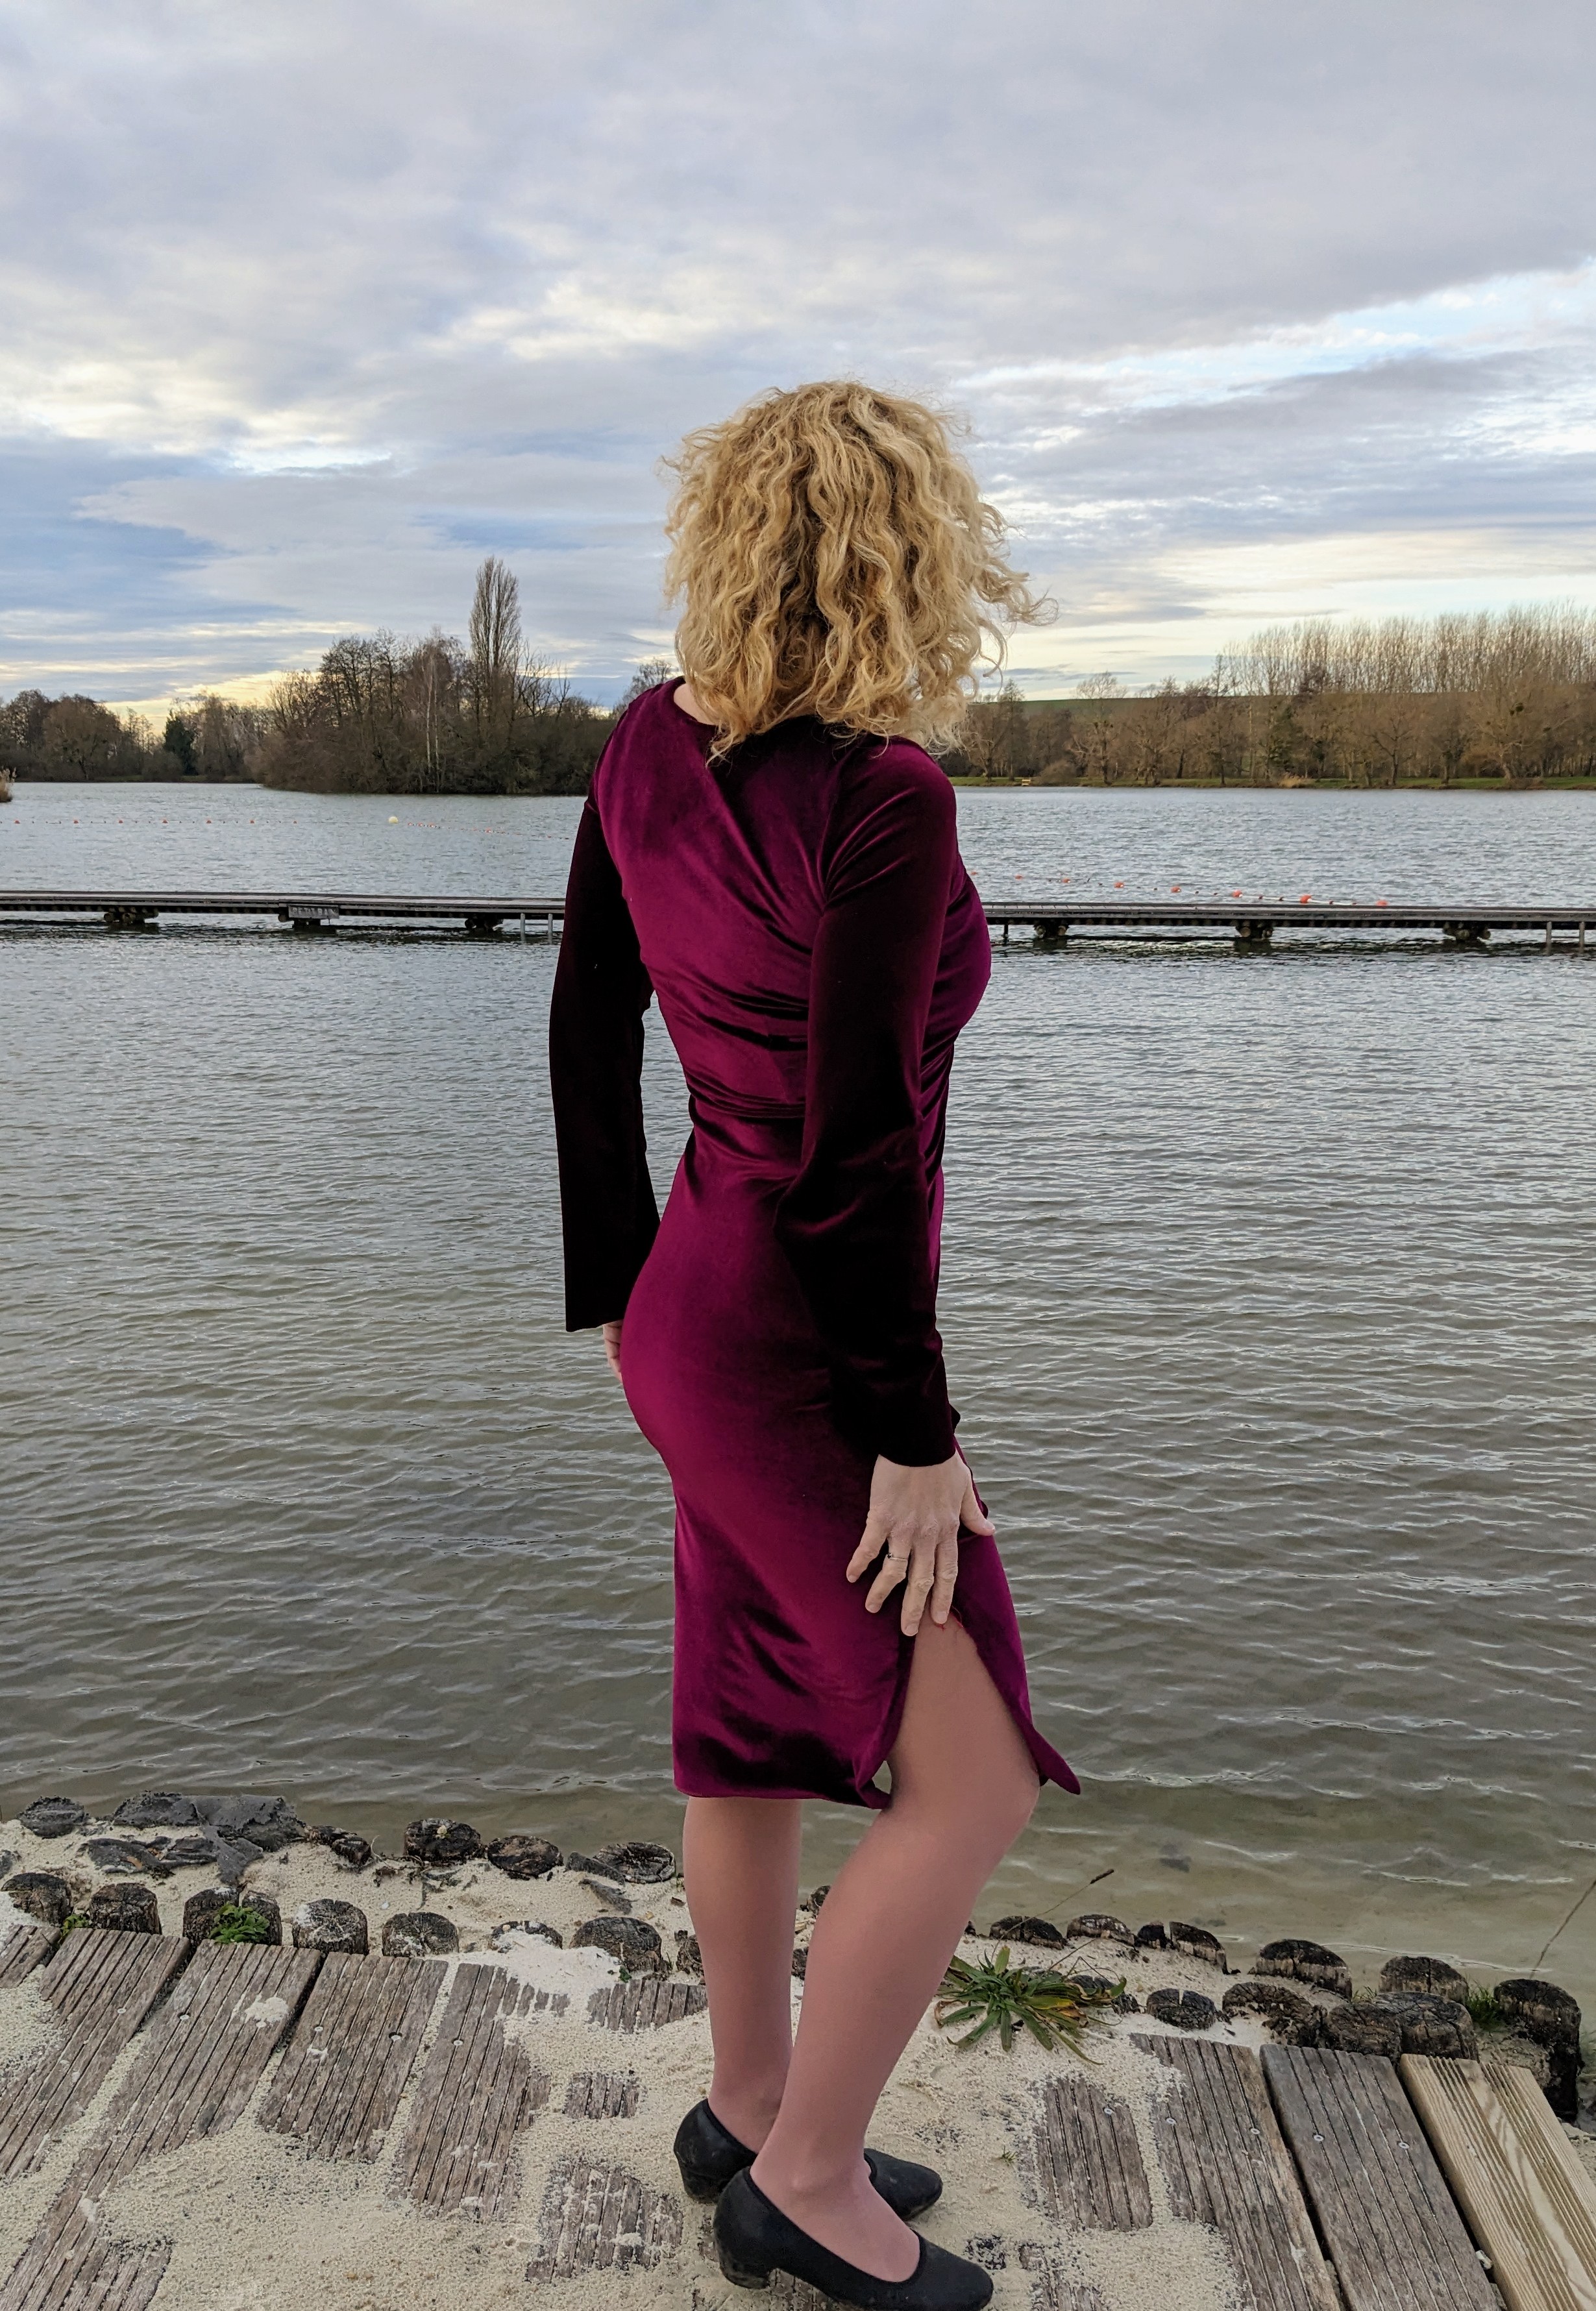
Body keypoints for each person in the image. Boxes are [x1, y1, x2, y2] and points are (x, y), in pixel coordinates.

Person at [549, 380, 1075, 2310]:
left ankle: (752, 2096)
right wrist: (915, 1438)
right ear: (914, 558)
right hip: (794, 1339)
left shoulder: (641, 743)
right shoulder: (881, 794)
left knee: (752, 1723)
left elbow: (584, 1021)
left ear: (726, 542)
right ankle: (805, 2177)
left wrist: (630, 1284)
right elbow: (856, 1152)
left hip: (693, 1305)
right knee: (974, 1777)